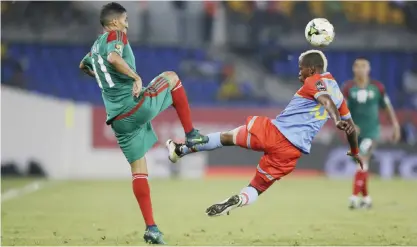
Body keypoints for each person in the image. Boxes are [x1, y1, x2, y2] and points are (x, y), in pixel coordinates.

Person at [166, 50, 363, 217]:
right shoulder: (339, 94)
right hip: (292, 152)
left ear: (311, 69)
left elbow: (325, 100)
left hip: (274, 133)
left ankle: (181, 150)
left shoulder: (315, 81)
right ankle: (237, 200)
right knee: (257, 188)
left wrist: (336, 120)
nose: (299, 74)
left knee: (227, 137)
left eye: (301, 68)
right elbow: (351, 127)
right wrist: (355, 151)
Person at [79, 2, 208, 244]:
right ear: (115, 22)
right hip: (133, 107)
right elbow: (114, 57)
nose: (127, 24)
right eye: (125, 19)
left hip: (117, 121)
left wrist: (106, 82)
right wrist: (135, 77)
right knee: (172, 77)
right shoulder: (115, 36)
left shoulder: (94, 47)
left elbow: (83, 65)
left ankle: (152, 229)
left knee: (139, 171)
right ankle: (191, 135)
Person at [342, 58, 400, 209]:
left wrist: (395, 125)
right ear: (353, 69)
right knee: (362, 165)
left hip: (372, 132)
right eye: (357, 66)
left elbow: (387, 107)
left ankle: (354, 198)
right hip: (354, 134)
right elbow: (342, 110)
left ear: (369, 69)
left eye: (364, 66)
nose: (360, 69)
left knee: (362, 159)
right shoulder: (348, 88)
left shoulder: (377, 88)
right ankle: (366, 199)